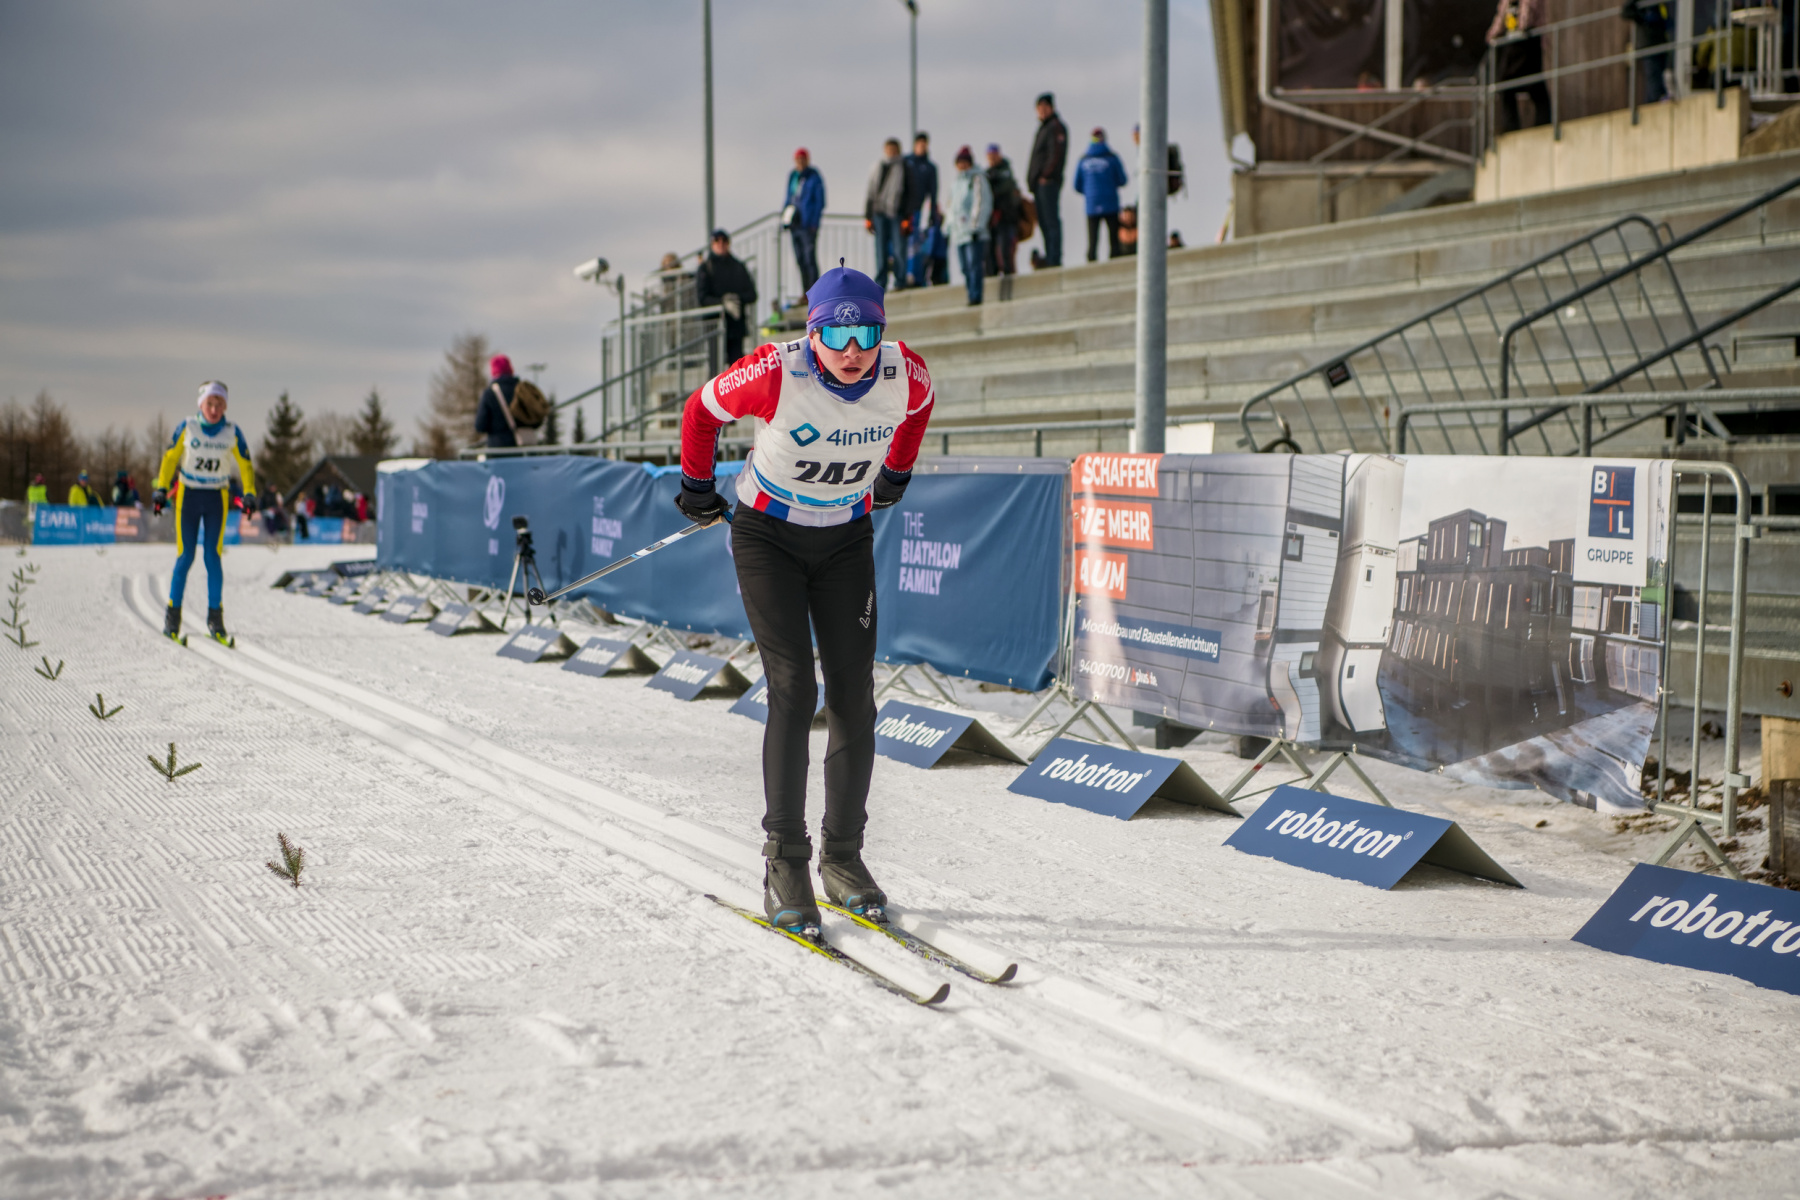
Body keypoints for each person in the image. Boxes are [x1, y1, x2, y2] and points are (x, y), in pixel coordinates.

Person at [674, 263, 934, 935]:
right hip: (769, 536)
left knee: (854, 695)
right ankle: (785, 860)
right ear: (813, 333)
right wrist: (697, 486)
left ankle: (843, 858)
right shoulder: (773, 371)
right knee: (794, 689)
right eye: (836, 337)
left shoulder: (904, 371)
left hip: (845, 537)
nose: (852, 352)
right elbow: (700, 412)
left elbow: (920, 408)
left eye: (866, 335)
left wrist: (897, 471)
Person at [152, 381, 257, 644]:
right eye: (209, 404)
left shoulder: (232, 431)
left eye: (219, 404)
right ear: (201, 405)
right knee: (185, 555)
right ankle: (172, 617)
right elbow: (170, 458)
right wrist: (161, 488)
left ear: (225, 407)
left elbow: (245, 464)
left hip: (216, 498)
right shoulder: (188, 426)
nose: (214, 409)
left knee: (212, 557)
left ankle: (215, 619)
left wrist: (249, 493)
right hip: (188, 496)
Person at [696, 228, 758, 366]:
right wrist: (722, 303)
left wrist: (736, 299)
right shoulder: (706, 268)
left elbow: (752, 294)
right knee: (716, 366)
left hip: (736, 327)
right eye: (716, 241)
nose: (721, 244)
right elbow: (702, 298)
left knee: (737, 368)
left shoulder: (738, 266)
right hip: (715, 326)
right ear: (712, 244)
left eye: (724, 241)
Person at [1488, 0, 1550, 133]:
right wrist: (1492, 35)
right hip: (1513, 47)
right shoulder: (1507, 2)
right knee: (1505, 85)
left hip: (1529, 44)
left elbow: (1528, 17)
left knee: (1535, 86)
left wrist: (1523, 26)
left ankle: (1543, 122)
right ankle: (1511, 126)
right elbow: (1501, 18)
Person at [946, 146, 994, 306]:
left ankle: (976, 296)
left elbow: (982, 203)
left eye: (964, 162)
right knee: (964, 268)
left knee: (974, 265)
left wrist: (976, 226)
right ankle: (970, 293)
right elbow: (951, 207)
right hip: (959, 233)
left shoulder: (977, 179)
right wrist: (948, 227)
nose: (962, 165)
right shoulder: (956, 183)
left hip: (973, 232)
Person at [1027, 92, 1069, 268]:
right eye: (1039, 108)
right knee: (1044, 221)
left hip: (1048, 184)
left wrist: (1046, 176)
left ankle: (1054, 258)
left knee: (1051, 221)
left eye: (1045, 107)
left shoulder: (1055, 127)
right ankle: (1050, 256)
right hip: (1039, 185)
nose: (1042, 111)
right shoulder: (1043, 128)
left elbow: (1056, 154)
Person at [1075, 127, 1129, 262]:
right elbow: (1122, 180)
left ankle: (1091, 263)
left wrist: (1089, 192)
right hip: (1110, 203)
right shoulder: (1112, 158)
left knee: (1092, 240)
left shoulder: (1083, 160)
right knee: (1114, 241)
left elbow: (1077, 185)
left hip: (1092, 204)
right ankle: (1115, 263)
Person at [864, 138, 907, 289]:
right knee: (880, 249)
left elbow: (910, 193)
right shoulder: (877, 167)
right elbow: (870, 193)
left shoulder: (904, 168)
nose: (891, 153)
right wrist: (868, 216)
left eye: (894, 150)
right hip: (879, 213)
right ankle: (881, 282)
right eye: (889, 150)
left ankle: (900, 280)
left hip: (897, 214)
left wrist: (907, 216)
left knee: (898, 249)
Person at [783, 148, 827, 293]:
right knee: (800, 259)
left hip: (808, 225)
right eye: (798, 160)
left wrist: (814, 223)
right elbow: (788, 198)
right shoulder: (793, 176)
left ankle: (815, 291)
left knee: (809, 259)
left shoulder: (814, 177)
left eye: (803, 159)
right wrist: (785, 218)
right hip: (794, 224)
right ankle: (805, 291)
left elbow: (820, 201)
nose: (800, 162)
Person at [901, 132, 939, 287]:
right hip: (903, 210)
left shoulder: (930, 167)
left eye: (924, 144)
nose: (922, 147)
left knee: (916, 244)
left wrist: (932, 213)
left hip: (917, 210)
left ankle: (916, 276)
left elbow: (933, 192)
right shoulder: (905, 162)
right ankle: (903, 275)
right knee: (902, 244)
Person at [1621, 0, 1672, 105]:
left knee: (1659, 73)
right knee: (1653, 74)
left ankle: (1653, 101)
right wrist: (1643, 17)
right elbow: (1626, 11)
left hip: (1660, 41)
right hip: (1648, 42)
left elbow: (1664, 17)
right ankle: (1657, 100)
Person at [985, 144, 1024, 277]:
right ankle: (993, 275)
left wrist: (992, 190)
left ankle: (1009, 275)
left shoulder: (1005, 171)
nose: (992, 158)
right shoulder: (987, 174)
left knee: (1006, 251)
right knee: (991, 252)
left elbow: (1005, 188)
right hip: (993, 221)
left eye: (994, 155)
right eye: (990, 156)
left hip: (1007, 218)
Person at [475, 354, 522, 449]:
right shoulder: (521, 390)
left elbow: (480, 425)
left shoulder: (490, 393)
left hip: (498, 448)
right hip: (523, 447)